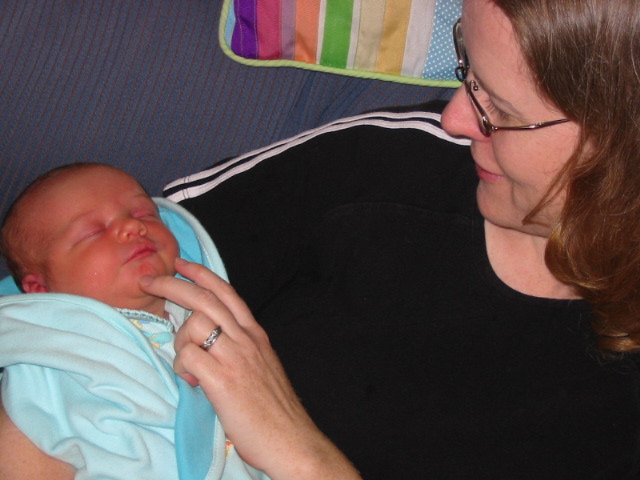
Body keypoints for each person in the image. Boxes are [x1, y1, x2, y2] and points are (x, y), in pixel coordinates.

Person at [150, 0, 640, 478]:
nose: (455, 119)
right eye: (466, 67)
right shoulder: (385, 166)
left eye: (502, 110)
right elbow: (104, 253)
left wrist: (302, 457)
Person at [0, 163, 268, 479]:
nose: (132, 227)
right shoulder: (45, 363)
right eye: (93, 231)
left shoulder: (211, 324)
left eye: (144, 215)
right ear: (40, 289)